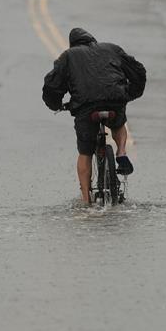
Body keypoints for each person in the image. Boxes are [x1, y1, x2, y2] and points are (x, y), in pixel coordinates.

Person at [42, 27, 146, 204]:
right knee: (119, 123)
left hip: (86, 107)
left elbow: (52, 85)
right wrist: (129, 94)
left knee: (85, 152)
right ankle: (121, 151)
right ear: (92, 40)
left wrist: (57, 105)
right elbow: (138, 72)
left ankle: (86, 200)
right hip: (115, 100)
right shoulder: (112, 49)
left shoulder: (68, 56)